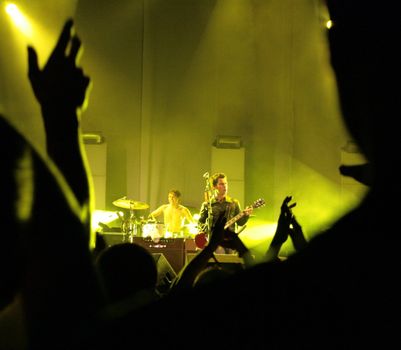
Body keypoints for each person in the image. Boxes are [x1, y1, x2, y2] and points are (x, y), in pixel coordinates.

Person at [197, 172, 253, 253]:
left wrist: (246, 215)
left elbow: (240, 223)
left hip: (231, 241)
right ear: (214, 187)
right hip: (216, 242)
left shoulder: (234, 203)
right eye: (221, 184)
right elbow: (200, 223)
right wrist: (207, 230)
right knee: (220, 254)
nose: (225, 186)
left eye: (226, 183)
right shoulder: (207, 204)